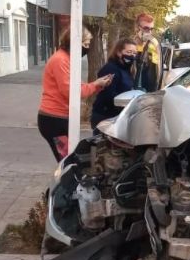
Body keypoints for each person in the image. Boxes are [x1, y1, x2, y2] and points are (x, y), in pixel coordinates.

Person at [38, 28, 112, 162]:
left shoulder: (66, 59)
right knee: (68, 162)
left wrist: (97, 85)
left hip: (58, 117)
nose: (88, 48)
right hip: (55, 119)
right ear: (75, 42)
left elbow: (77, 88)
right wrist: (96, 84)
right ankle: (64, 183)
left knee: (69, 159)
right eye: (86, 44)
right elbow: (71, 92)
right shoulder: (61, 60)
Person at [91, 38, 138, 130]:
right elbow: (108, 95)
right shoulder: (111, 69)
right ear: (119, 52)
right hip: (106, 117)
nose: (132, 56)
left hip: (119, 115)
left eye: (134, 53)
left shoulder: (127, 69)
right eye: (129, 52)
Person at [134, 13, 162, 92]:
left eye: (151, 29)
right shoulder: (129, 44)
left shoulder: (154, 44)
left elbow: (157, 71)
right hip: (132, 91)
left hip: (149, 91)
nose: (149, 32)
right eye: (146, 28)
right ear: (138, 28)